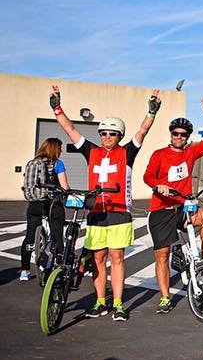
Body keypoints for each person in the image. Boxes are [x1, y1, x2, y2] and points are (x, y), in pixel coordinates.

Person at [49, 85, 160, 321]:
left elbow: (142, 131)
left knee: (117, 257)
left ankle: (118, 304)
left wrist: (151, 113)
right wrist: (57, 107)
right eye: (103, 133)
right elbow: (70, 130)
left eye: (112, 134)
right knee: (98, 258)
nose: (106, 137)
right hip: (96, 213)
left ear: (119, 136)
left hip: (119, 212)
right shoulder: (91, 151)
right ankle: (100, 303)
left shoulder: (127, 152)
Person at [143, 95, 203, 314]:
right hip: (161, 211)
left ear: (187, 137)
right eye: (176, 133)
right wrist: (159, 185)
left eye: (184, 134)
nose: (179, 137)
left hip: (183, 209)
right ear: (171, 135)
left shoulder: (190, 152)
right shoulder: (160, 154)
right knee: (162, 255)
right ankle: (165, 298)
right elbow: (147, 176)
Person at [20, 138, 70, 281]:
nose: (61, 151)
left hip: (34, 204)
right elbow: (64, 186)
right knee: (57, 235)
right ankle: (59, 267)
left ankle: (24, 270)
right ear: (55, 149)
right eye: (60, 148)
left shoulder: (33, 163)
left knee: (30, 235)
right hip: (52, 204)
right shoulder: (57, 164)